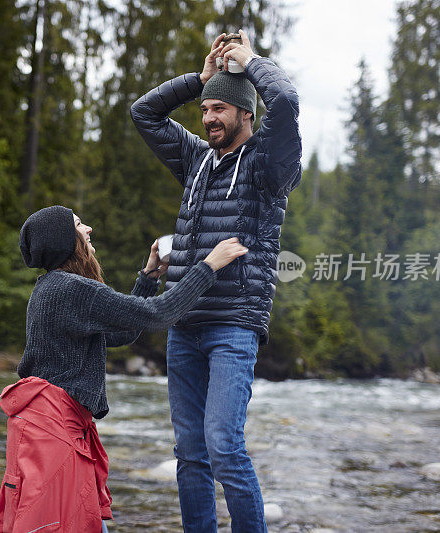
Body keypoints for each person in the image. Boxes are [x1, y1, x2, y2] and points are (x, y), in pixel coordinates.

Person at [130, 30, 302, 532]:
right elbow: (144, 113)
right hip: (183, 322)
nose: (209, 119)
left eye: (219, 109)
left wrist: (251, 63)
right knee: (190, 453)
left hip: (234, 325)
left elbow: (287, 100)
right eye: (205, 110)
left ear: (245, 113)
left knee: (223, 446)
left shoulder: (269, 165)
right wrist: (199, 80)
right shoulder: (196, 159)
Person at [0, 205, 248, 533]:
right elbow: (159, 314)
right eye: (80, 225)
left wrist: (150, 275)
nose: (89, 230)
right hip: (54, 433)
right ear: (63, 240)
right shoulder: (71, 289)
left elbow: (120, 333)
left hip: (46, 427)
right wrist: (209, 266)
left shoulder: (50, 288)